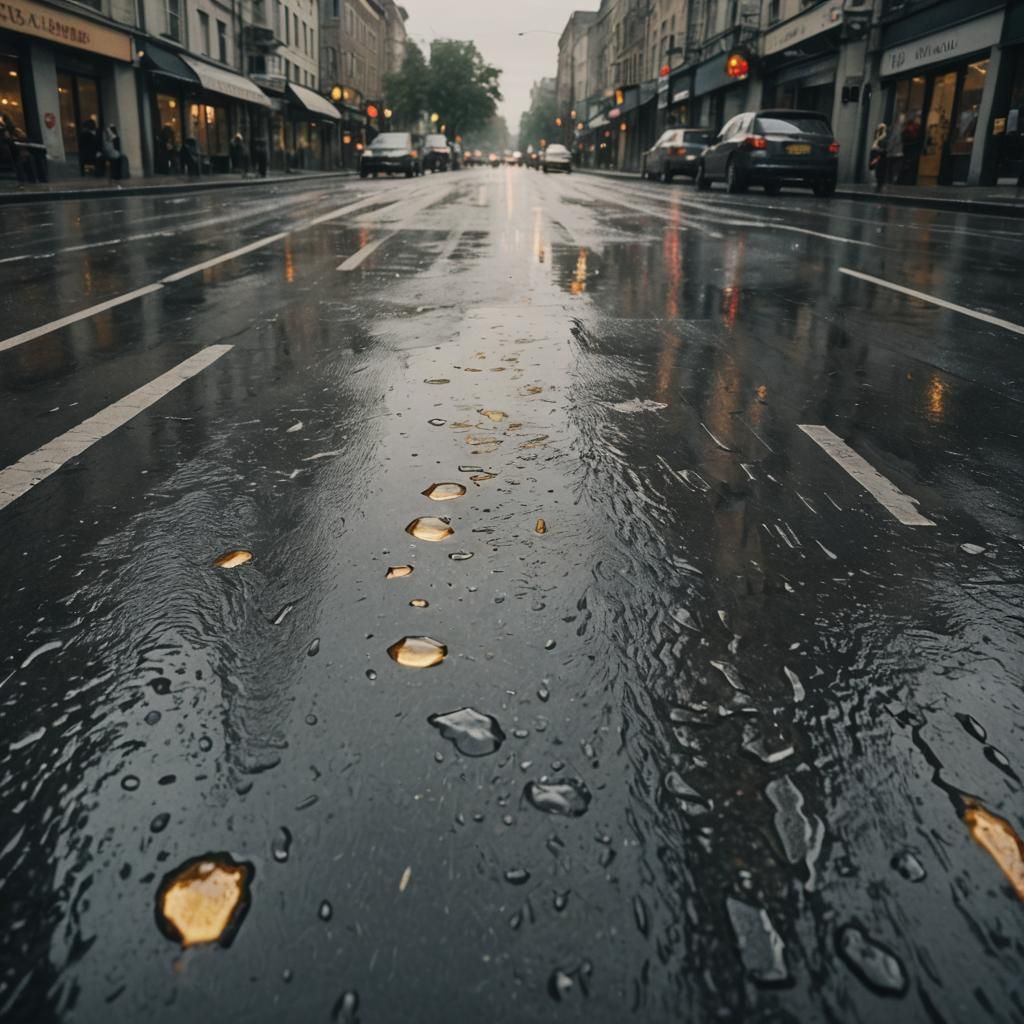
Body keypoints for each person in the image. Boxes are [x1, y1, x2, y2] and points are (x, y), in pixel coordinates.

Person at [869, 122, 888, 193]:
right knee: (873, 171)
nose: (880, 130)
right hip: (874, 155)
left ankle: (879, 186)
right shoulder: (877, 137)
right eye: (879, 129)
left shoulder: (884, 138)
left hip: (879, 158)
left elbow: (884, 149)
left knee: (878, 172)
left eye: (882, 129)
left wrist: (877, 157)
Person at [888, 114, 905, 185]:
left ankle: (893, 180)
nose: (903, 120)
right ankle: (893, 181)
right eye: (902, 118)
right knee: (894, 169)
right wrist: (889, 149)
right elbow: (893, 139)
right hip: (895, 152)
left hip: (897, 152)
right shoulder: (897, 128)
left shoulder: (900, 128)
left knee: (894, 169)